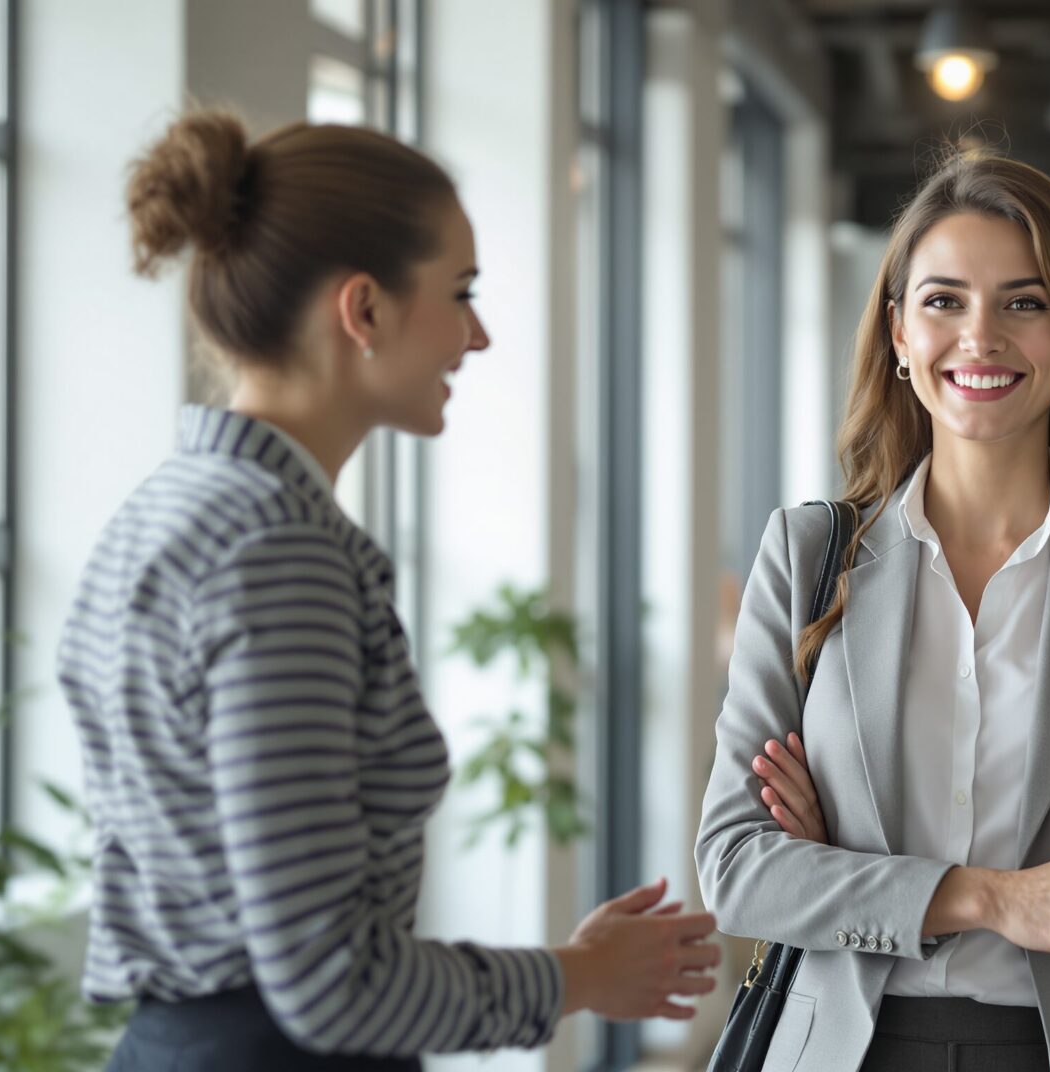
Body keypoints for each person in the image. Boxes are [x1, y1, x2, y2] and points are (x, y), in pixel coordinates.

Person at [67, 110, 718, 1071]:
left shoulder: (164, 510)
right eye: (461, 293)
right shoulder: (277, 551)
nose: (478, 335)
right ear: (363, 310)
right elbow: (331, 983)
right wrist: (577, 978)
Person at [694, 151, 1050, 1072]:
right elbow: (736, 869)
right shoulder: (807, 555)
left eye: (1025, 303)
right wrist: (993, 897)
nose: (980, 336)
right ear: (899, 333)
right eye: (944, 301)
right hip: (841, 1050)